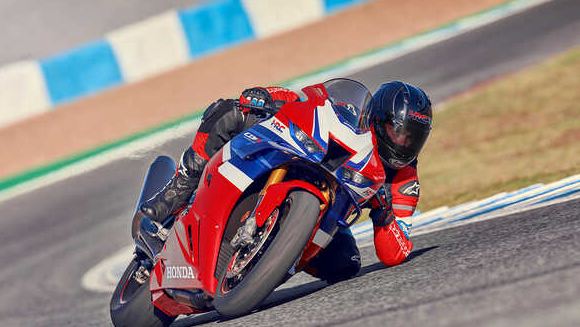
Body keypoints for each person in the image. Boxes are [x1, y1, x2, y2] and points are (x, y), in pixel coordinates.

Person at [136, 81, 432, 283]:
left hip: (326, 220)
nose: (404, 144)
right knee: (230, 112)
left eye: (412, 138)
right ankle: (174, 193)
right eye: (399, 132)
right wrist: (266, 96)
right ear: (379, 119)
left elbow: (394, 251)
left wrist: (385, 211)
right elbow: (307, 100)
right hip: (298, 160)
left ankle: (274, 263)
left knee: (346, 263)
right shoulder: (353, 114)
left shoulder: (404, 180)